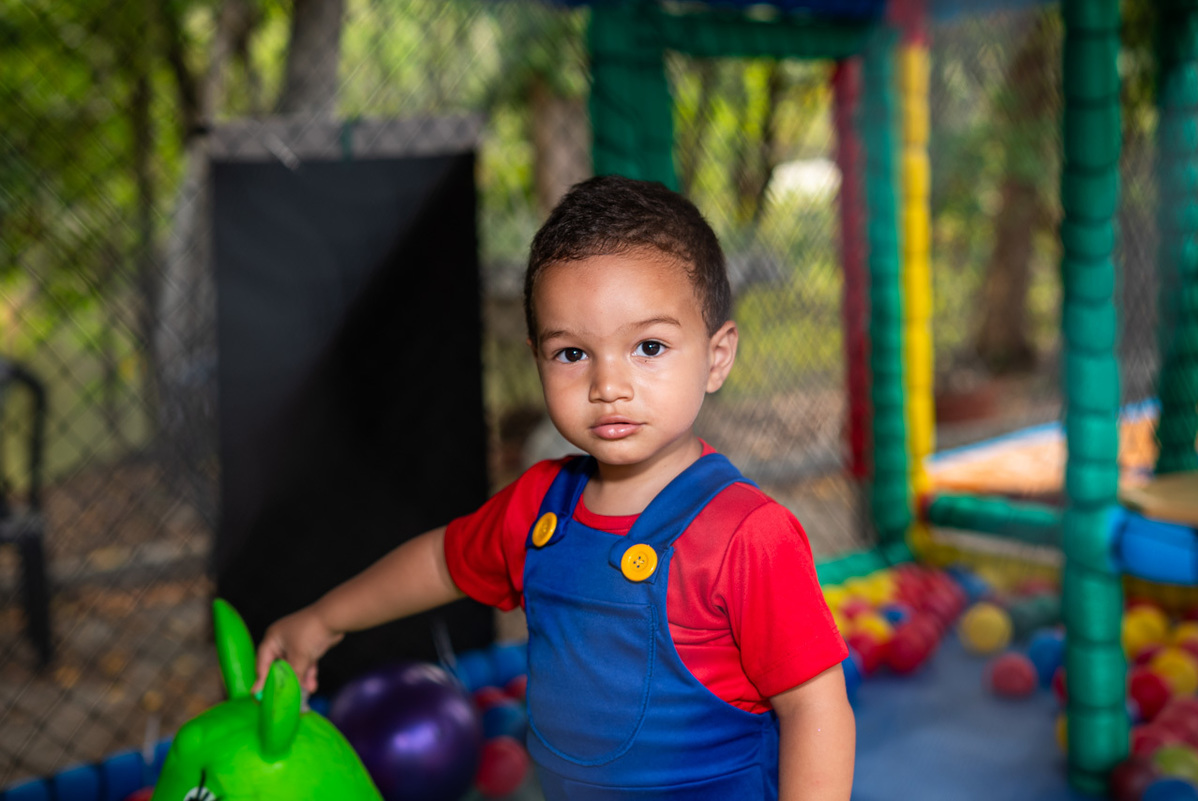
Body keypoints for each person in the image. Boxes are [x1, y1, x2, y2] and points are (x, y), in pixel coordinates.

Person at [253, 175, 855, 800]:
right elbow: (441, 561)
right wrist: (323, 619)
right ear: (537, 356)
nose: (608, 385)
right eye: (572, 354)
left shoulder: (746, 536)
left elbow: (816, 707)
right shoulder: (541, 506)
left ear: (717, 356)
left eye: (648, 346)